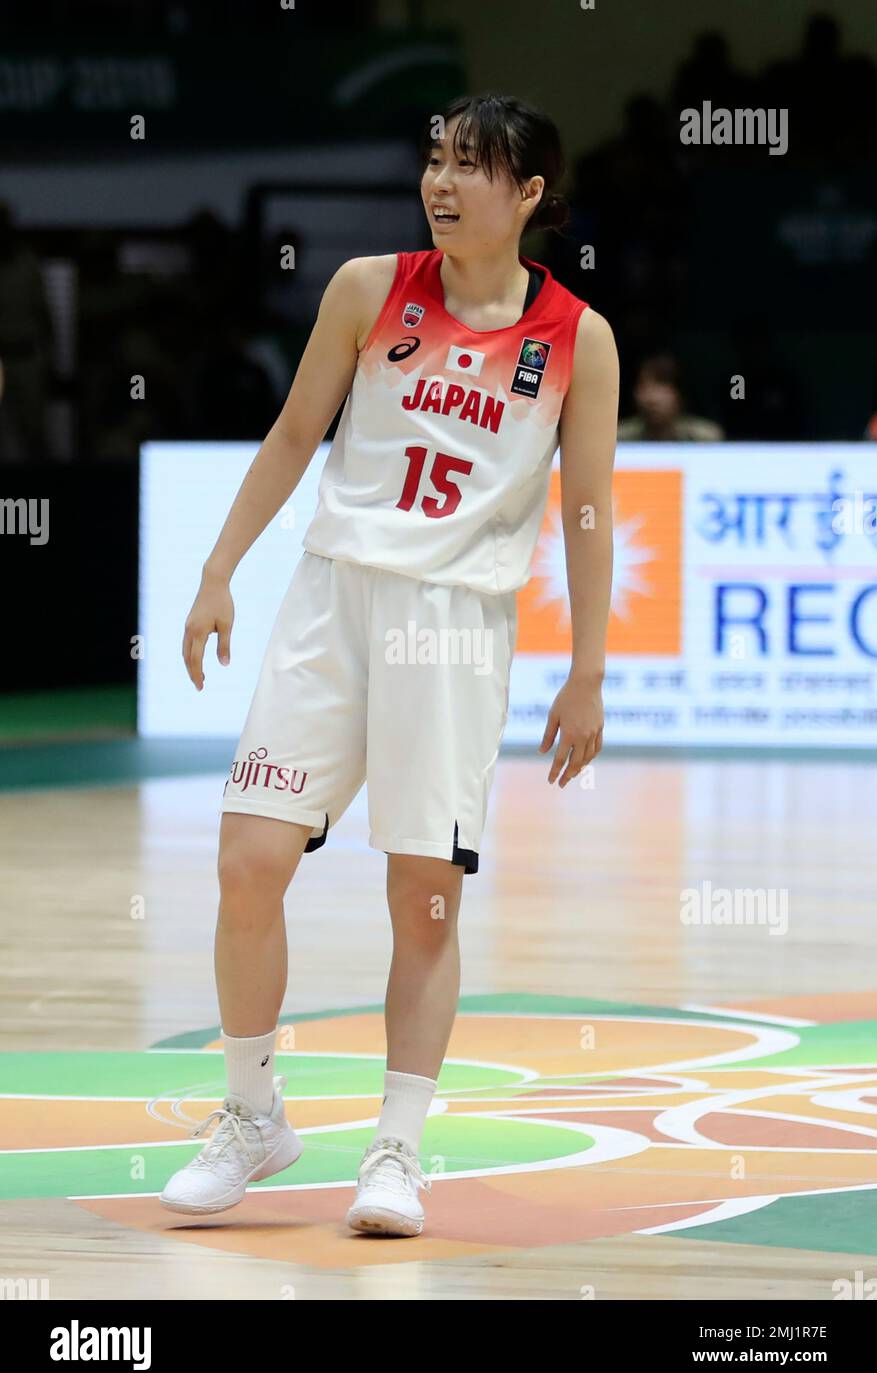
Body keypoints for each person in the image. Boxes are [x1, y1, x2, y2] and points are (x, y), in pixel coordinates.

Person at [160, 93, 618, 1236]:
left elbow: (591, 512)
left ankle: (396, 1150)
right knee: (247, 860)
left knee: (423, 898)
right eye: (434, 158)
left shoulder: (578, 338)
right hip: (332, 598)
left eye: (471, 165)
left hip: (456, 625)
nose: (442, 180)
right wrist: (218, 570)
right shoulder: (369, 288)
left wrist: (589, 670)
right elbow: (290, 435)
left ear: (529, 196)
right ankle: (251, 1112)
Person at [618, 353, 723, 442]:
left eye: (663, 387)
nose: (652, 398)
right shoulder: (619, 438)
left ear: (680, 394)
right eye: (644, 386)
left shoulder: (706, 438)